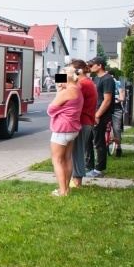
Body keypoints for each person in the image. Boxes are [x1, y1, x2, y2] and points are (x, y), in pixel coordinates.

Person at [47, 66, 83, 196]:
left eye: (60, 77)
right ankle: (66, 188)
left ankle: (63, 191)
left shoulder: (66, 92)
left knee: (57, 160)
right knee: (67, 158)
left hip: (62, 129)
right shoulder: (78, 90)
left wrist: (58, 90)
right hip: (73, 129)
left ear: (65, 77)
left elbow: (50, 109)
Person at [69, 60, 97, 188]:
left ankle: (77, 180)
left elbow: (70, 96)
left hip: (82, 121)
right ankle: (76, 178)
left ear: (77, 71)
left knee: (77, 151)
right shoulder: (88, 82)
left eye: (70, 70)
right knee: (78, 150)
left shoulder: (83, 84)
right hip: (87, 121)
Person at [86, 57, 114, 178]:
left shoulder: (107, 79)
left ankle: (99, 169)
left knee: (98, 141)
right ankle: (89, 166)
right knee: (88, 140)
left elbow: (107, 100)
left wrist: (97, 115)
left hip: (101, 115)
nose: (90, 67)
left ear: (99, 65)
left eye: (92, 65)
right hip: (94, 113)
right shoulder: (96, 79)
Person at [106, 69, 124, 157]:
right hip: (106, 107)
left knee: (117, 128)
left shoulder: (118, 84)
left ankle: (118, 146)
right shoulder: (104, 83)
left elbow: (122, 95)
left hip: (116, 107)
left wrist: (119, 98)